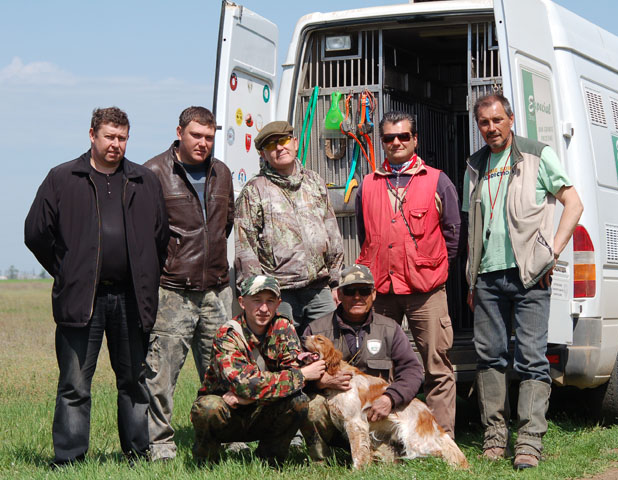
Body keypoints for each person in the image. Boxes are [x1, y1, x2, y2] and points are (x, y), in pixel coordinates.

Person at [24, 107, 169, 467]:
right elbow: (35, 233)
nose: (115, 144)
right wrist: (66, 270)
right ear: (92, 135)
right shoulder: (62, 178)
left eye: (122, 138)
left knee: (134, 381)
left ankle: (137, 453)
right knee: (74, 384)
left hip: (131, 298)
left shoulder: (144, 181)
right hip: (82, 299)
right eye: (109, 137)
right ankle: (69, 459)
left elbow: (160, 238)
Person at [465, 93, 583, 469]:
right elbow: (471, 227)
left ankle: (529, 444)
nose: (491, 128)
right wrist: (470, 281)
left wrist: (552, 251)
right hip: (486, 277)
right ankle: (495, 438)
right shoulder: (475, 164)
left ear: (511, 119)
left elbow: (574, 203)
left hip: (529, 275)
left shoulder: (537, 154)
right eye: (484, 123)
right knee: (489, 359)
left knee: (532, 360)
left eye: (497, 120)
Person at [355, 111, 461, 437]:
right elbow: (365, 236)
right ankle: (385, 438)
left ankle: (440, 440)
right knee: (376, 367)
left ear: (415, 140)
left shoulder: (438, 180)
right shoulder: (368, 184)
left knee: (437, 367)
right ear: (382, 142)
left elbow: (453, 235)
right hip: (382, 292)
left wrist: (432, 269)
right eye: (389, 138)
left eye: (403, 136)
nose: (396, 142)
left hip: (425, 291)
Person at [143, 106, 235, 461]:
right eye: (196, 135)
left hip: (216, 289)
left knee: (224, 371)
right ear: (179, 132)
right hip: (173, 291)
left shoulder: (221, 172)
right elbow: (148, 233)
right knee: (161, 374)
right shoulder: (154, 172)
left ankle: (226, 437)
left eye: (209, 137)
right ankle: (161, 444)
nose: (203, 143)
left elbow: (225, 224)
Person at [189, 275, 326, 464]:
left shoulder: (283, 327)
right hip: (230, 412)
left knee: (298, 401)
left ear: (278, 303)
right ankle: (206, 462)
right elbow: (245, 384)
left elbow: (290, 381)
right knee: (207, 408)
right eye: (256, 300)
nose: (264, 308)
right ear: (242, 302)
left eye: (270, 301)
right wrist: (301, 374)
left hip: (261, 410)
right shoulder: (227, 334)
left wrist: (247, 396)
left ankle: (270, 460)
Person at [300, 264, 424, 461]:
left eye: (364, 290)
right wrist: (321, 382)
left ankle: (374, 451)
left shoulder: (389, 328)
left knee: (386, 463)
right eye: (350, 291)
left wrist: (390, 398)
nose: (357, 297)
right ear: (339, 295)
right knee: (311, 406)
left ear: (373, 294)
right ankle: (320, 461)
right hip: (333, 417)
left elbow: (413, 371)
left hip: (375, 419)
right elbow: (295, 373)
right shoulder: (317, 329)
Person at [234, 120, 344, 334]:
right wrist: (260, 296)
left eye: (283, 141)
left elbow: (332, 233)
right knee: (283, 357)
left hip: (318, 290)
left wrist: (336, 282)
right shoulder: (254, 191)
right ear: (263, 155)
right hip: (279, 295)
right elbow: (245, 247)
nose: (279, 147)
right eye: (270, 145)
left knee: (329, 350)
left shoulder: (315, 182)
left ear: (294, 143)